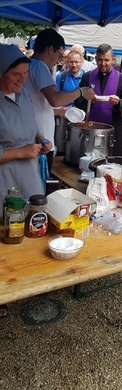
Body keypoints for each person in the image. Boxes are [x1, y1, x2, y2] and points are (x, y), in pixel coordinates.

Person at [0, 45, 52, 318]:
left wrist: (41, 139)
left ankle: (29, 280)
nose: (21, 80)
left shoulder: (24, 97)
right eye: (16, 75)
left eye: (24, 74)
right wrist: (20, 152)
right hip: (4, 178)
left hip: (29, 174)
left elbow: (32, 128)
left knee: (33, 225)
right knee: (5, 231)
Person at [24, 29, 95, 171]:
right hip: (41, 142)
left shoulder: (30, 65)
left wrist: (59, 111)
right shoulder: (39, 66)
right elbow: (54, 99)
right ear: (51, 49)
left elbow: (36, 103)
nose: (59, 60)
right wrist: (81, 92)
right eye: (60, 54)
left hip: (34, 137)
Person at [75, 44, 122, 157]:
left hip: (113, 129)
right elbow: (77, 102)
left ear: (113, 60)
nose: (103, 63)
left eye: (106, 60)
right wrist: (89, 101)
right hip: (91, 128)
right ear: (95, 59)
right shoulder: (87, 77)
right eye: (100, 60)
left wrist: (119, 102)